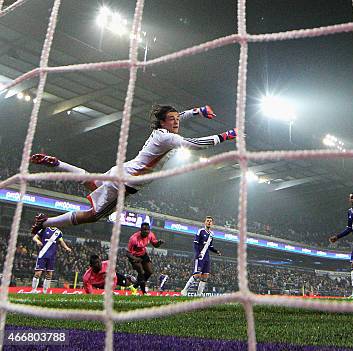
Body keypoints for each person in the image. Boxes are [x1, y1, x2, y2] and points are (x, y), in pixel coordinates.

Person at [29, 104, 236, 232]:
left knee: (93, 183)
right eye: (171, 120)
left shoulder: (159, 132)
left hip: (120, 170)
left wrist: (196, 111)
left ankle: (58, 163)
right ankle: (45, 222)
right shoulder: (168, 137)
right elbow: (194, 145)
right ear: (163, 123)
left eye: (176, 119)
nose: (176, 122)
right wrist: (225, 136)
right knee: (94, 215)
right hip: (126, 182)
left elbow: (179, 116)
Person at [181, 216, 221, 296]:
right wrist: (197, 253)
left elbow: (210, 246)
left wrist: (216, 251)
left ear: (212, 223)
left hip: (207, 257)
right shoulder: (201, 231)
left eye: (210, 221)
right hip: (200, 256)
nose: (209, 222)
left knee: (205, 276)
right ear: (205, 222)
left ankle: (199, 295)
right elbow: (195, 243)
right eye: (207, 221)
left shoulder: (212, 234)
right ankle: (184, 290)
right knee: (197, 275)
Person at [126, 222, 164, 294]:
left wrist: (158, 243)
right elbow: (127, 253)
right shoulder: (134, 239)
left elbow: (155, 244)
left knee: (149, 272)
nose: (147, 231)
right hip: (134, 256)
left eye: (148, 230)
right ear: (141, 230)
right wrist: (135, 259)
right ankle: (144, 292)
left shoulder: (150, 235)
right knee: (141, 272)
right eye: (144, 230)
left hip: (143, 254)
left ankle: (134, 287)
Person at [31, 226, 72, 293]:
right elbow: (35, 237)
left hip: (51, 256)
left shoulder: (58, 232)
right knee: (38, 273)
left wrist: (66, 248)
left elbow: (61, 241)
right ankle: (33, 290)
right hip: (43, 254)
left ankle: (45, 291)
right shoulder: (44, 229)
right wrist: (38, 241)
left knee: (49, 274)